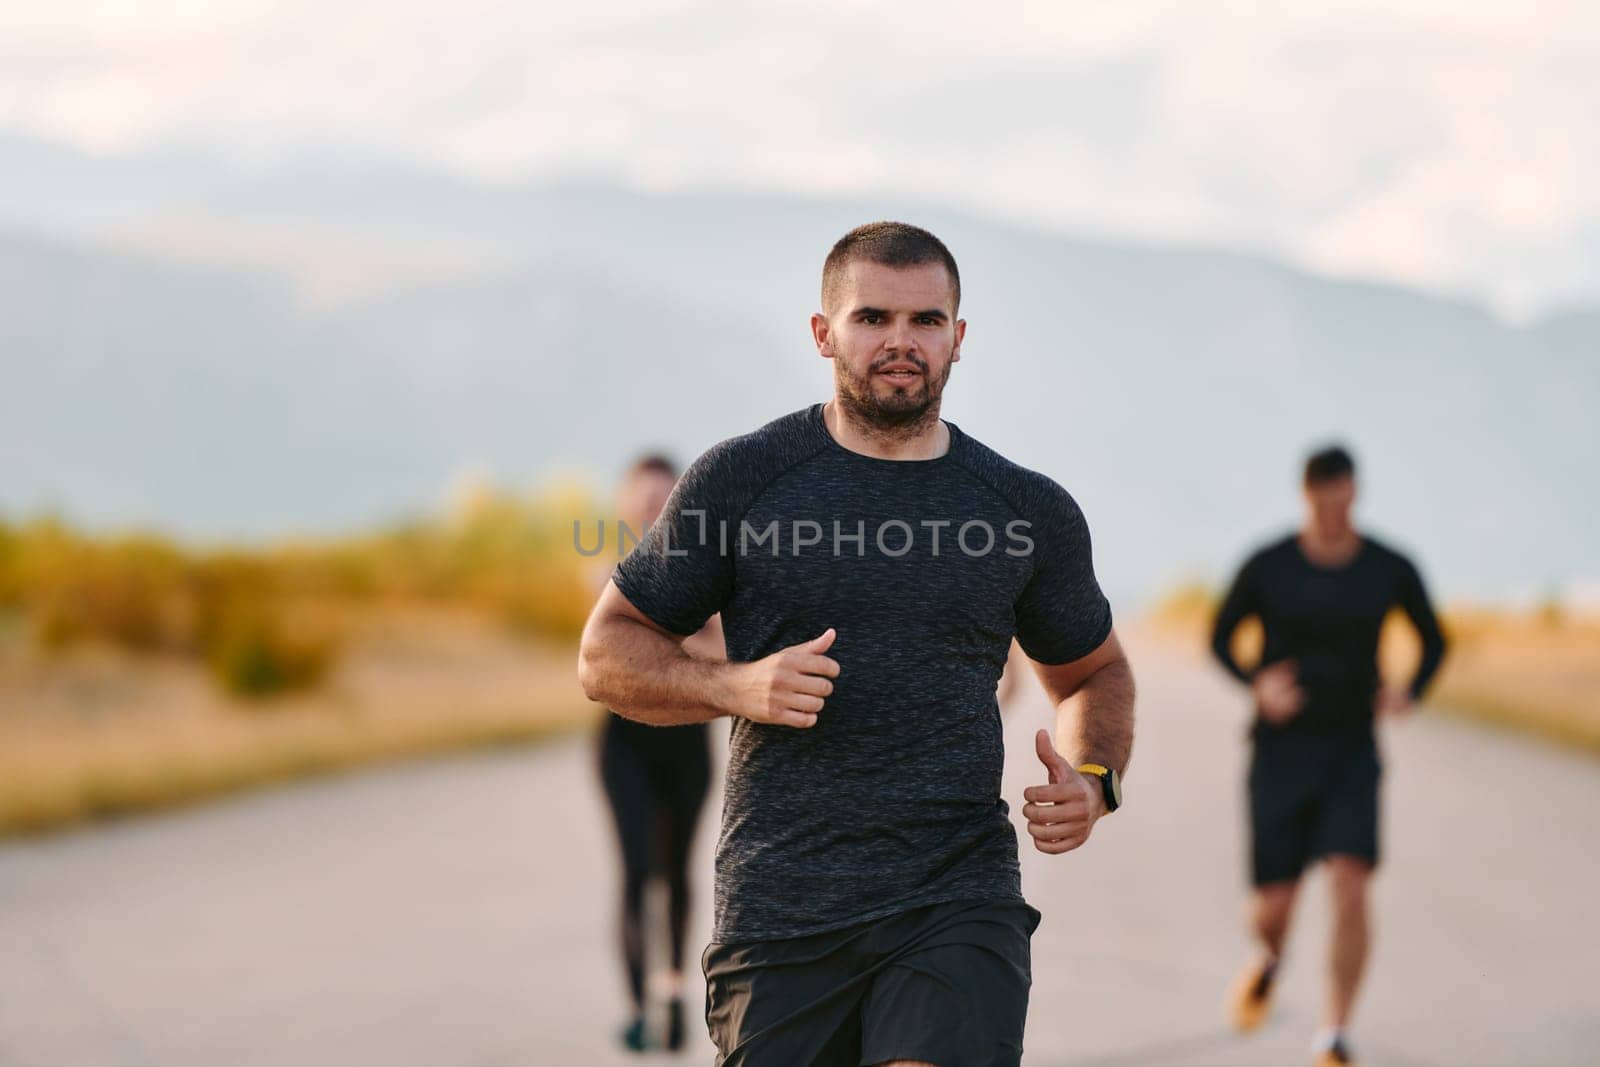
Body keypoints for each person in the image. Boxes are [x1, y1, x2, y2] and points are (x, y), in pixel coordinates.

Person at [578, 221, 1136, 1067]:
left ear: (958, 337)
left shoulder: (1023, 509)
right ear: (823, 332)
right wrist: (736, 685)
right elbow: (606, 654)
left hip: (956, 894)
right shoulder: (744, 479)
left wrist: (1096, 779)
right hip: (781, 906)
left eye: (926, 320)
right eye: (873, 317)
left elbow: (1093, 670)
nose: (901, 342)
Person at [1210, 445, 1448, 1067]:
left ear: (1354, 494)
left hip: (1350, 750)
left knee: (1350, 881)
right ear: (1305, 497)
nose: (1331, 512)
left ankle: (1333, 1035)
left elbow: (1433, 638)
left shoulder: (1388, 567)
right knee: (1275, 907)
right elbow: (1220, 635)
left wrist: (1410, 691)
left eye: (1340, 499)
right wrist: (1256, 683)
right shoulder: (1269, 565)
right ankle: (1267, 959)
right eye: (1320, 501)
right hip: (1281, 752)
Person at [594, 454, 721, 1053]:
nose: (650, 510)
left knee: (676, 872)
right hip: (624, 744)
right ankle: (637, 1006)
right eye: (642, 500)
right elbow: (601, 659)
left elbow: (718, 648)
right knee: (636, 869)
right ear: (626, 504)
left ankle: (672, 999)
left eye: (661, 500)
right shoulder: (606, 572)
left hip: (687, 740)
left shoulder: (710, 573)